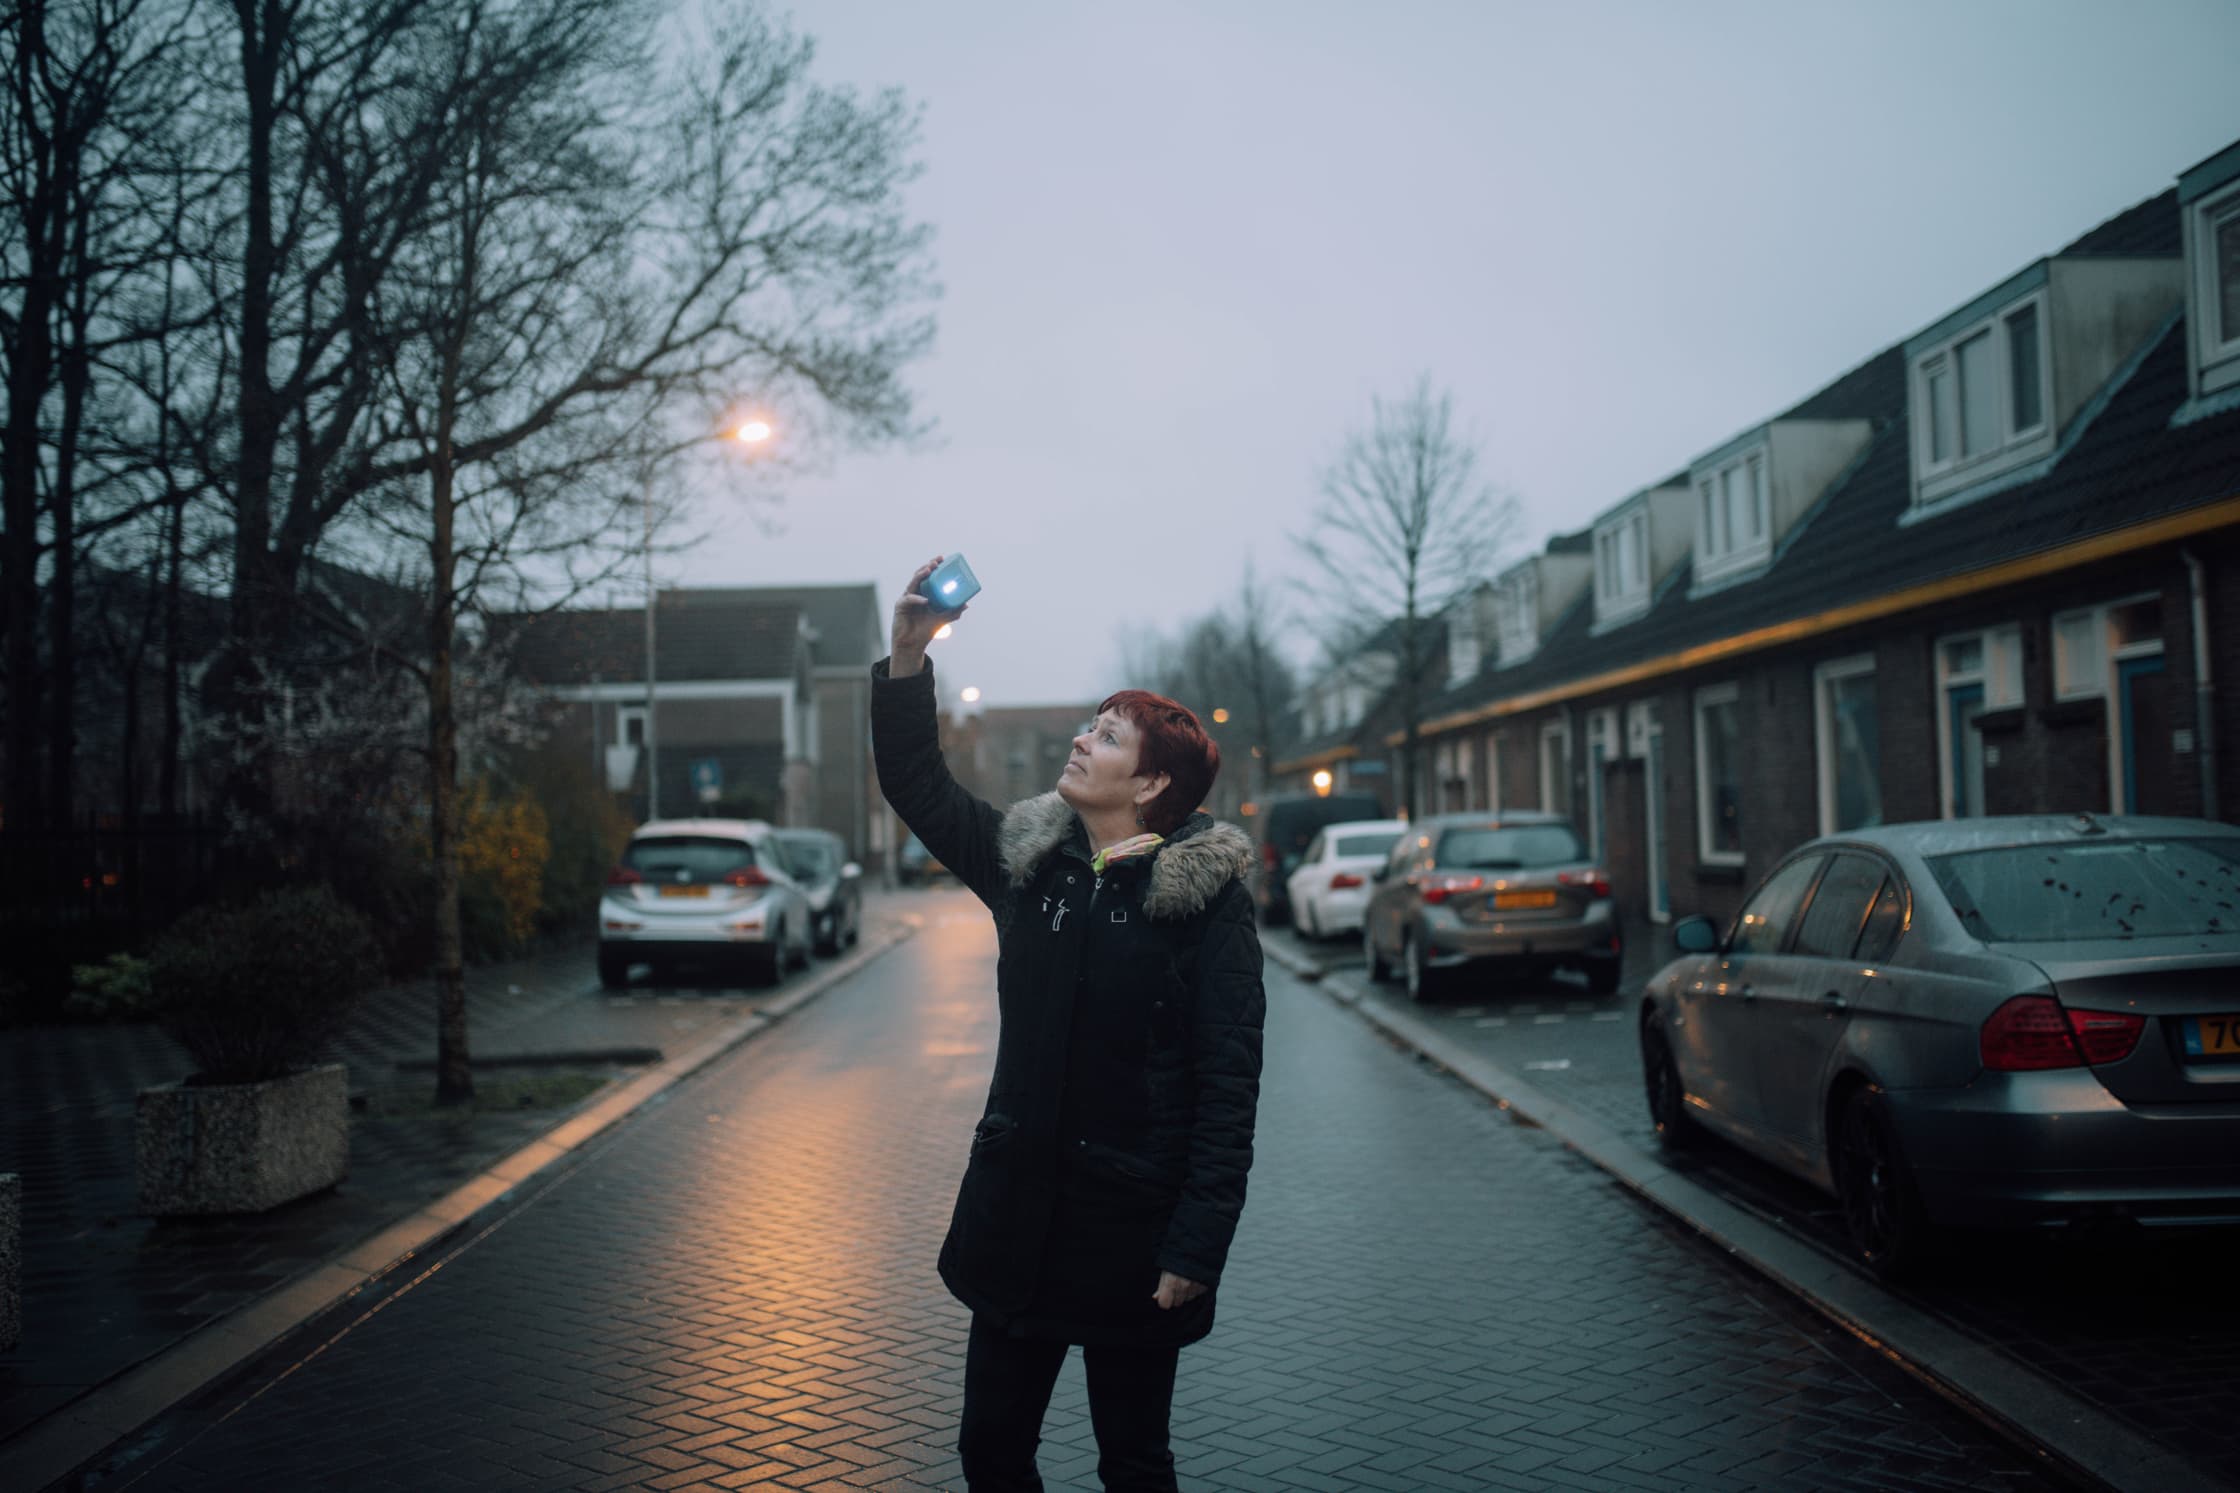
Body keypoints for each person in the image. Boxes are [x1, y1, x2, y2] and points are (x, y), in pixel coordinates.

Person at [872, 556, 1266, 1493]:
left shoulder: (1206, 904)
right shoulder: (1026, 865)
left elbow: (1229, 1082)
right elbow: (918, 785)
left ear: (1152, 785)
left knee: (1133, 1462)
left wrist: (1196, 1245)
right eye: (1090, 725)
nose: (1083, 741)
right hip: (1020, 1222)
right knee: (991, 1451)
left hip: (1134, 1237)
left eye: (1109, 736)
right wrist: (904, 654)